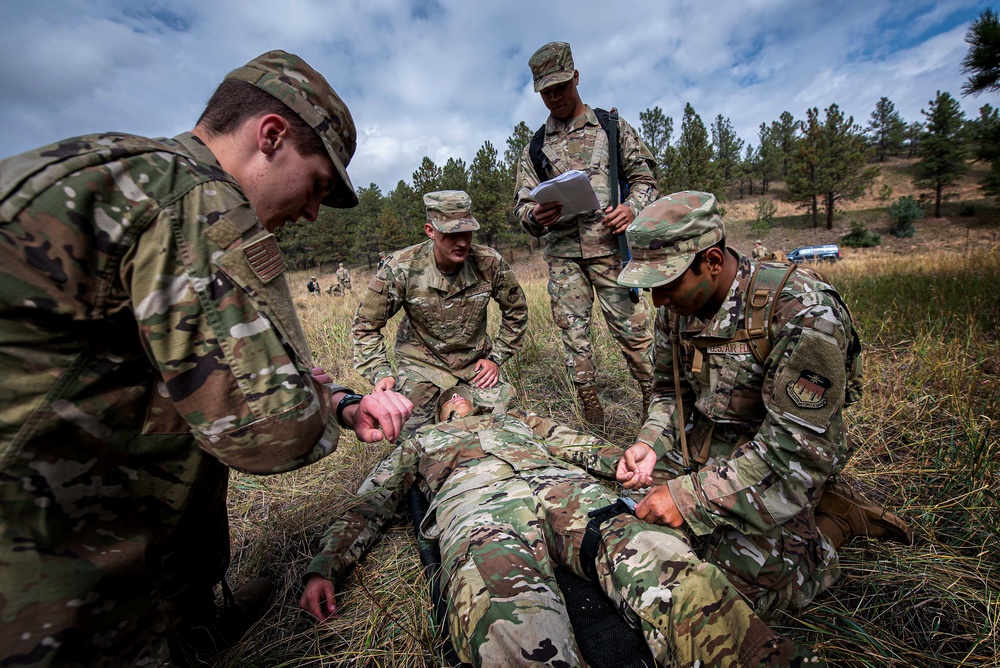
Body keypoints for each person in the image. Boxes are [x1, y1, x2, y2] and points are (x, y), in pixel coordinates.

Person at [0, 50, 413, 667]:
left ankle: (190, 620)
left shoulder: (111, 162)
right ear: (270, 136)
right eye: (318, 185)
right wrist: (320, 402)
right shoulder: (197, 202)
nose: (311, 212)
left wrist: (308, 390)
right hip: (39, 558)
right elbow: (269, 431)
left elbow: (163, 364)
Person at [299, 387, 823, 668]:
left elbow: (579, 445)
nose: (458, 400)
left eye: (464, 396)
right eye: (448, 400)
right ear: (437, 414)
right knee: (509, 624)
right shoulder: (418, 444)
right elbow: (370, 505)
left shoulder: (519, 422)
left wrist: (636, 466)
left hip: (569, 494)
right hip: (480, 514)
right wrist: (327, 566)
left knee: (668, 566)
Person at [614, 191, 910, 621]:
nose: (657, 302)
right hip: (708, 445)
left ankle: (832, 525)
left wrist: (688, 496)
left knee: (727, 594)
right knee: (630, 522)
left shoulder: (805, 313)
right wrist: (650, 444)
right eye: (649, 287)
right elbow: (669, 392)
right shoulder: (676, 307)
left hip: (778, 460)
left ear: (712, 261)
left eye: (667, 283)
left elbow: (796, 450)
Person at [513, 41, 658, 424]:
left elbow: (646, 180)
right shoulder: (534, 148)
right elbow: (522, 207)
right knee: (574, 338)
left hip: (611, 250)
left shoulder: (611, 128)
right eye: (547, 92)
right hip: (564, 258)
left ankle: (654, 403)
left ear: (576, 77)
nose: (555, 97)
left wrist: (631, 209)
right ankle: (591, 409)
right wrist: (536, 216)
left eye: (561, 87)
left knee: (634, 333)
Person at [353, 190, 528, 435]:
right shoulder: (402, 268)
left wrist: (496, 358)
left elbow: (516, 312)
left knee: (509, 428)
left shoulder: (490, 263)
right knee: (411, 438)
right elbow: (366, 326)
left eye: (466, 232)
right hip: (421, 366)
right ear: (430, 230)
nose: (462, 242)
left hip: (473, 364)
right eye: (451, 234)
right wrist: (381, 372)